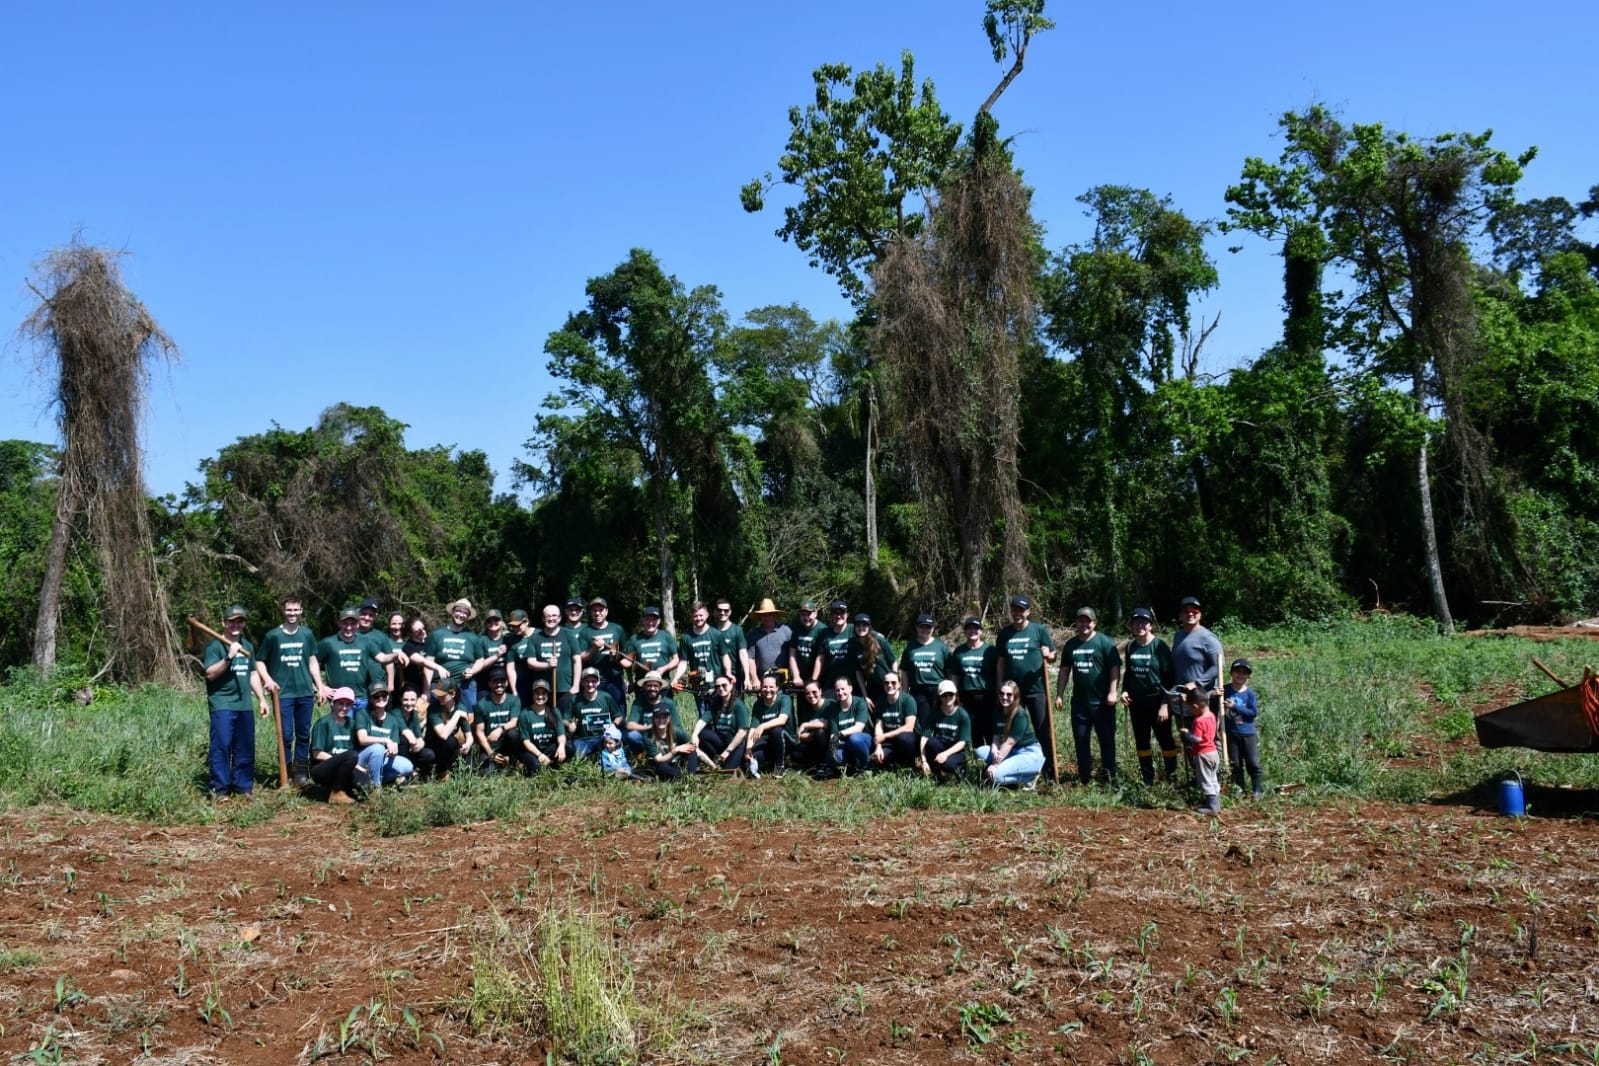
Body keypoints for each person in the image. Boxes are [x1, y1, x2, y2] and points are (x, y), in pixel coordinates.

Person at [203, 604, 266, 802]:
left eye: (239, 621)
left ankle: (243, 787)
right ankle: (220, 789)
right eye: (232, 621)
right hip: (222, 704)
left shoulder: (248, 646)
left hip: (244, 705)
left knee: (245, 746)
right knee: (222, 745)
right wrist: (229, 656)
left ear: (243, 624)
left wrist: (262, 699)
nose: (235, 625)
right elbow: (210, 673)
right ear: (224, 623)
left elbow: (253, 673)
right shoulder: (215, 647)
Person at [255, 595, 320, 787]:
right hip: (282, 694)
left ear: (301, 611)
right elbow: (259, 661)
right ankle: (285, 771)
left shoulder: (307, 634)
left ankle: (300, 774)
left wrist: (319, 685)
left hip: (305, 692)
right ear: (283, 611)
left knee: (303, 734)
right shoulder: (273, 636)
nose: (292, 614)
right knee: (285, 735)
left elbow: (312, 661)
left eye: (295, 610)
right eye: (288, 610)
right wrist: (268, 680)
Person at [1056, 607, 1122, 784]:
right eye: (1080, 621)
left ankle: (1109, 777)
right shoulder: (1071, 645)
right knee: (1081, 740)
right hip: (1080, 704)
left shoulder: (1105, 643)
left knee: (1106, 740)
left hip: (1102, 704)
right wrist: (1059, 695)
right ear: (1076, 623)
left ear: (1094, 623)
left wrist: (1113, 691)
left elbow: (1115, 668)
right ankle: (1084, 777)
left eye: (1088, 621)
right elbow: (1064, 671)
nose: (1084, 624)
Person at [995, 596, 1059, 779]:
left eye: (1021, 610)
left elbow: (1053, 654)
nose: (1017, 613)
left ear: (1028, 612)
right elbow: (1000, 662)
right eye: (1014, 610)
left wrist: (1049, 654)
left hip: (1036, 689)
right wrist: (999, 686)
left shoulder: (1039, 630)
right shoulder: (1004, 634)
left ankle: (1049, 769)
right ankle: (1017, 767)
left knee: (1041, 728)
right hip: (1013, 694)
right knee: (1012, 730)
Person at [1122, 607, 1178, 785]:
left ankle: (1171, 778)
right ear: (1131, 626)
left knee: (1165, 739)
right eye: (1136, 622)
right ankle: (1148, 778)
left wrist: (1165, 704)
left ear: (1151, 625)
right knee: (1142, 740)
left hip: (1157, 701)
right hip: (1137, 703)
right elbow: (1129, 673)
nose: (1140, 625)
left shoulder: (1159, 646)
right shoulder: (1131, 646)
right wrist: (1124, 691)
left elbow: (1169, 679)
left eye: (1144, 622)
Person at [424, 599, 496, 711]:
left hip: (465, 685)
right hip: (439, 684)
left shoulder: (473, 637)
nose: (461, 615)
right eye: (459, 611)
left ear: (468, 616)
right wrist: (426, 690)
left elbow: (480, 660)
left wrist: (472, 671)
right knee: (438, 717)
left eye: (465, 613)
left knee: (468, 717)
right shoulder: (436, 634)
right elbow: (428, 663)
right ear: (452, 611)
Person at [976, 681, 1045, 788]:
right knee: (980, 751)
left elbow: (1009, 743)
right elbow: (996, 737)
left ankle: (1030, 776)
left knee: (996, 776)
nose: (1005, 697)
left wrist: (994, 764)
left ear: (1015, 696)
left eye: (1009, 694)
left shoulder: (1019, 714)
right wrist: (994, 751)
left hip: (1027, 752)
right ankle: (1011, 770)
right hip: (1011, 752)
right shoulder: (998, 712)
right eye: (1002, 694)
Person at [316, 607, 383, 712]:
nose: (348, 627)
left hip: (362, 698)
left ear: (357, 624)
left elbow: (382, 658)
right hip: (340, 699)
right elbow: (310, 663)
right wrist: (321, 687)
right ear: (339, 623)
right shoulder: (328, 643)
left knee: (362, 728)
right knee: (342, 728)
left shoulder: (366, 642)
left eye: (352, 624)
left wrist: (397, 655)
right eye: (345, 623)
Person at [674, 602, 732, 716]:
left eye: (701, 615)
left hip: (717, 683)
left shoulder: (717, 634)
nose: (698, 618)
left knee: (720, 714)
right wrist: (676, 678)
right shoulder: (686, 638)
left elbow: (725, 656)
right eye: (695, 616)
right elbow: (683, 662)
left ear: (707, 615)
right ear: (691, 617)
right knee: (703, 716)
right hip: (698, 684)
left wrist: (728, 673)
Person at [521, 605, 581, 714]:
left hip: (565, 688)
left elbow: (577, 660)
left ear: (559, 618)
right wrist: (547, 665)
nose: (551, 618)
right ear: (543, 618)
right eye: (547, 616)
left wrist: (576, 685)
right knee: (546, 720)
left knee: (564, 721)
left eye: (554, 615)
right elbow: (530, 662)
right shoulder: (535, 638)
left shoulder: (568, 635)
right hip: (542, 690)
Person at [353, 684, 414, 789]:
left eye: (384, 695)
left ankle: (379, 778)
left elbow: (394, 744)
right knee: (378, 748)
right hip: (363, 757)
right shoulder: (363, 714)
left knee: (407, 765)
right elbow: (362, 739)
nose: (381, 698)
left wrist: (392, 751)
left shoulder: (392, 719)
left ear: (388, 697)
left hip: (383, 758)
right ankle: (376, 788)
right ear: (370, 699)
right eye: (376, 696)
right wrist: (385, 740)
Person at [1172, 595, 1225, 715]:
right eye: (1186, 611)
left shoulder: (1208, 638)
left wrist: (1197, 683)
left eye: (1195, 610)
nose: (1190, 614)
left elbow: (1219, 666)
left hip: (1203, 699)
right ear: (1180, 615)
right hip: (1183, 698)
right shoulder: (1178, 636)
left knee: (1203, 733)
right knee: (1185, 733)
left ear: (1200, 614)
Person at [308, 686, 361, 804]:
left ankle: (340, 789)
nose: (344, 708)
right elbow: (317, 754)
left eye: (348, 705)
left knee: (362, 784)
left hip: (344, 766)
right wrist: (341, 760)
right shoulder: (323, 723)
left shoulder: (352, 724)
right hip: (322, 768)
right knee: (351, 756)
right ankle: (336, 792)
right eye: (340, 703)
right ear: (333, 703)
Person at [953, 616, 997, 747]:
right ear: (965, 632)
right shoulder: (959, 651)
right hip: (966, 696)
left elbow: (998, 671)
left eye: (976, 628)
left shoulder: (990, 650)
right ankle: (978, 758)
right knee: (974, 729)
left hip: (987, 694)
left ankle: (992, 759)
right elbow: (955, 675)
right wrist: (955, 695)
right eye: (969, 628)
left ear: (981, 631)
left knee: (989, 728)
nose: (973, 631)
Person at [1223, 658, 1264, 799]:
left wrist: (1235, 707)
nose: (1240, 675)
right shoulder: (1225, 690)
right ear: (1231, 673)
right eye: (1237, 672)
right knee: (1236, 764)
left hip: (1247, 732)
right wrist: (1215, 696)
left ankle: (1257, 790)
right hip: (1230, 732)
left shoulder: (1249, 694)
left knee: (1253, 763)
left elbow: (1253, 713)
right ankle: (1240, 790)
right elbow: (1213, 704)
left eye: (1244, 673)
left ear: (1248, 676)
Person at [693, 675, 750, 772]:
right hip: (721, 742)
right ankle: (714, 758)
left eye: (724, 685)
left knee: (727, 770)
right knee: (703, 733)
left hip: (736, 745)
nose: (721, 688)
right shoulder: (716, 703)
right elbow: (702, 721)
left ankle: (740, 761)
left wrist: (728, 751)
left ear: (731, 685)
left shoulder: (739, 705)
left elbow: (742, 732)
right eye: (717, 686)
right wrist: (694, 735)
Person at [898, 614, 951, 721]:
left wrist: (950, 690)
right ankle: (923, 738)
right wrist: (904, 693)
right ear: (916, 627)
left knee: (941, 719)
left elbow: (950, 670)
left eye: (928, 627)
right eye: (922, 627)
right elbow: (905, 673)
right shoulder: (910, 647)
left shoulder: (941, 647)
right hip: (918, 689)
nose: (925, 630)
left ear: (933, 628)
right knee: (923, 721)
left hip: (938, 689)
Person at [579, 597, 629, 706]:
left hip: (615, 678)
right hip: (595, 681)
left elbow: (626, 655)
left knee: (619, 714)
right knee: (597, 715)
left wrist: (616, 657)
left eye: (600, 610)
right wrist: (594, 649)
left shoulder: (617, 629)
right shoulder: (585, 632)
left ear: (606, 611)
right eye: (594, 610)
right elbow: (581, 657)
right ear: (590, 612)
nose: (597, 613)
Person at [919, 680, 971, 783]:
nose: (947, 697)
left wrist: (945, 754)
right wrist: (924, 760)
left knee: (947, 764)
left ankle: (961, 770)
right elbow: (924, 738)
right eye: (944, 695)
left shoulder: (962, 715)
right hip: (940, 745)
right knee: (931, 743)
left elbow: (963, 742)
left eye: (950, 694)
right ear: (939, 697)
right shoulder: (934, 713)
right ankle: (934, 773)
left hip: (956, 750)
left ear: (955, 695)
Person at [1180, 686, 1221, 814]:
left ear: (1196, 707)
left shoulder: (1199, 721)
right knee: (1212, 778)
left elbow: (1197, 739)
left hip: (1203, 754)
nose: (1191, 710)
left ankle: (1212, 807)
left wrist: (1187, 733)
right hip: (1213, 752)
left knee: (1205, 780)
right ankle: (1215, 803)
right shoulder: (1212, 716)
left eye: (1191, 708)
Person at [421, 677, 471, 782]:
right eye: (437, 694)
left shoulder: (461, 707)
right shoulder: (433, 709)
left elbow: (469, 735)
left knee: (466, 760)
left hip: (449, 748)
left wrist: (468, 744)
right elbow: (443, 735)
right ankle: (441, 772)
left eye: (442, 695)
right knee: (450, 741)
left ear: (452, 694)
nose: (439, 697)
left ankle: (451, 772)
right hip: (434, 747)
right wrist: (457, 715)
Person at [472, 669, 522, 772]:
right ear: (490, 684)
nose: (499, 684)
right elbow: (479, 731)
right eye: (495, 681)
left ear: (507, 683)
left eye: (502, 681)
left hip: (507, 743)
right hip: (490, 745)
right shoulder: (480, 705)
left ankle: (513, 761)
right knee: (486, 773)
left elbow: (514, 722)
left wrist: (500, 729)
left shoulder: (514, 700)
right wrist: (490, 753)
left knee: (513, 734)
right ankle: (498, 763)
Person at [745, 673, 794, 776]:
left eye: (771, 687)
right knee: (750, 759)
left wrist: (762, 726)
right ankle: (771, 760)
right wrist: (748, 749)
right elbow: (753, 728)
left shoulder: (784, 699)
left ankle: (780, 766)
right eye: (765, 687)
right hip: (767, 741)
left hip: (786, 738)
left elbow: (782, 720)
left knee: (777, 731)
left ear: (777, 688)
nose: (768, 690)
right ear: (761, 688)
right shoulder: (758, 704)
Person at [621, 607, 679, 693]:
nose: (650, 623)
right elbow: (628, 662)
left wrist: (664, 668)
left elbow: (676, 659)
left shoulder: (666, 637)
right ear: (643, 621)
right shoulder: (634, 639)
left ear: (659, 621)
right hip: (642, 685)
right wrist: (630, 680)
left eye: (654, 620)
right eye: (647, 619)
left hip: (663, 684)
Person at [571, 667, 624, 760]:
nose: (590, 684)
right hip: (583, 739)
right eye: (587, 681)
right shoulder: (575, 699)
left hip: (603, 738)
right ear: (582, 682)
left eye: (593, 681)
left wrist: (613, 724)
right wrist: (570, 725)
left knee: (613, 755)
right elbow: (565, 718)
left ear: (598, 682)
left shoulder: (606, 697)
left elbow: (618, 716)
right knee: (575, 754)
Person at [514, 681, 567, 774]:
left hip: (549, 748)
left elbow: (561, 734)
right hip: (532, 750)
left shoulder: (554, 711)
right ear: (532, 695)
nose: (540, 696)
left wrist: (561, 746)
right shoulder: (525, 713)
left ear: (548, 695)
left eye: (543, 693)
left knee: (569, 747)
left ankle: (554, 764)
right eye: (537, 693)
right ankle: (526, 764)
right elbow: (526, 741)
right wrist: (540, 755)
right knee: (536, 769)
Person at [846, 613, 895, 712]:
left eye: (864, 625)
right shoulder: (854, 646)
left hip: (888, 684)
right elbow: (858, 673)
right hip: (872, 687)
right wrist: (865, 696)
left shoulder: (880, 641)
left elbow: (893, 661)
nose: (861, 628)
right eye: (858, 625)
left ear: (869, 627)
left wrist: (895, 681)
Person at [826, 677, 874, 776]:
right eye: (837, 690)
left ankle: (866, 766)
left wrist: (839, 734)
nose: (840, 692)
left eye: (843, 689)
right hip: (844, 742)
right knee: (835, 757)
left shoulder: (860, 703)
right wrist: (833, 750)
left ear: (850, 688)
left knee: (854, 739)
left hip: (863, 739)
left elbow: (859, 728)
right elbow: (833, 734)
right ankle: (851, 764)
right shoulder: (834, 709)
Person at [871, 672, 919, 770]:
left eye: (893, 682)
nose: (890, 685)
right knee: (881, 760)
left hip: (909, 740)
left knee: (904, 738)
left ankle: (910, 765)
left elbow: (909, 727)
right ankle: (897, 761)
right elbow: (878, 726)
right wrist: (878, 747)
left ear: (899, 684)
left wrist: (884, 736)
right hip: (889, 742)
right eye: (886, 683)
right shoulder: (880, 701)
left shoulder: (908, 700)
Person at [791, 681, 837, 778]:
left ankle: (824, 765)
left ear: (820, 691)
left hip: (831, 743)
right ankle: (816, 763)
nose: (811, 695)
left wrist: (806, 724)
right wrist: (813, 736)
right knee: (795, 754)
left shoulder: (830, 705)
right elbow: (801, 735)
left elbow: (828, 724)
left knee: (820, 732)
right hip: (814, 742)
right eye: (807, 693)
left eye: (814, 692)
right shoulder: (807, 710)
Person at [356, 598, 402, 692]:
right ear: (359, 613)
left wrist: (390, 684)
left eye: (371, 615)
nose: (367, 618)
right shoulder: (349, 634)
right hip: (356, 687)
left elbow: (389, 662)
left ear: (375, 617)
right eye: (364, 614)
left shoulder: (381, 636)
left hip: (378, 687)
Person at [712, 597, 756, 691]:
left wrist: (747, 677)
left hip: (734, 676)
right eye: (719, 610)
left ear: (730, 612)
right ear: (715, 612)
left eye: (726, 610)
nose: (722, 613)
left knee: (735, 703)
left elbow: (743, 654)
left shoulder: (737, 630)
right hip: (715, 676)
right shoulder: (710, 630)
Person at [643, 707, 698, 781]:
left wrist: (710, 764)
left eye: (664, 717)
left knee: (692, 750)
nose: (661, 720)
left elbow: (692, 747)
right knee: (660, 766)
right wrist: (675, 750)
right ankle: (682, 778)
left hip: (676, 762)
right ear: (653, 719)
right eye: (658, 717)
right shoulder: (648, 736)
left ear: (669, 718)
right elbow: (659, 759)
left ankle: (691, 777)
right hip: (661, 764)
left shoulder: (677, 731)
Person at [746, 598, 792, 683]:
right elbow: (750, 658)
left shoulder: (785, 630)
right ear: (760, 616)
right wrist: (755, 679)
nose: (767, 617)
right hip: (763, 680)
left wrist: (793, 675)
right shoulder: (754, 634)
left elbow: (793, 655)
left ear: (774, 615)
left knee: (784, 697)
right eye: (764, 615)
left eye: (769, 614)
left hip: (783, 679)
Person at [396, 688, 436, 780]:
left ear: (417, 700)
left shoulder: (414, 714)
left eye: (412, 700)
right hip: (398, 753)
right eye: (405, 700)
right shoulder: (395, 713)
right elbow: (406, 731)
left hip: (411, 750)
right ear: (400, 699)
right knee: (403, 739)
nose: (409, 703)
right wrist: (414, 742)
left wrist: (419, 744)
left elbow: (420, 737)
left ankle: (419, 775)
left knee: (429, 754)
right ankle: (403, 774)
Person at [786, 600, 828, 688]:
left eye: (808, 614)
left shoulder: (822, 630)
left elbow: (821, 658)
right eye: (803, 615)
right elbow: (792, 655)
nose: (806, 618)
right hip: (800, 678)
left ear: (815, 613)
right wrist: (796, 676)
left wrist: (813, 681)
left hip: (819, 677)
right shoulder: (797, 629)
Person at [818, 601, 855, 688]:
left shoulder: (854, 629)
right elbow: (820, 659)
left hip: (853, 681)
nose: (838, 616)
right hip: (831, 681)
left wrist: (878, 635)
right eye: (835, 613)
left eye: (842, 612)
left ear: (847, 614)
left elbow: (869, 635)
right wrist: (815, 680)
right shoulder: (825, 633)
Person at [399, 616, 432, 696]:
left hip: (432, 685)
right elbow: (424, 663)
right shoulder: (408, 647)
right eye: (418, 631)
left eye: (423, 628)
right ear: (410, 633)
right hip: (414, 688)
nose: (423, 631)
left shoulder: (430, 642)